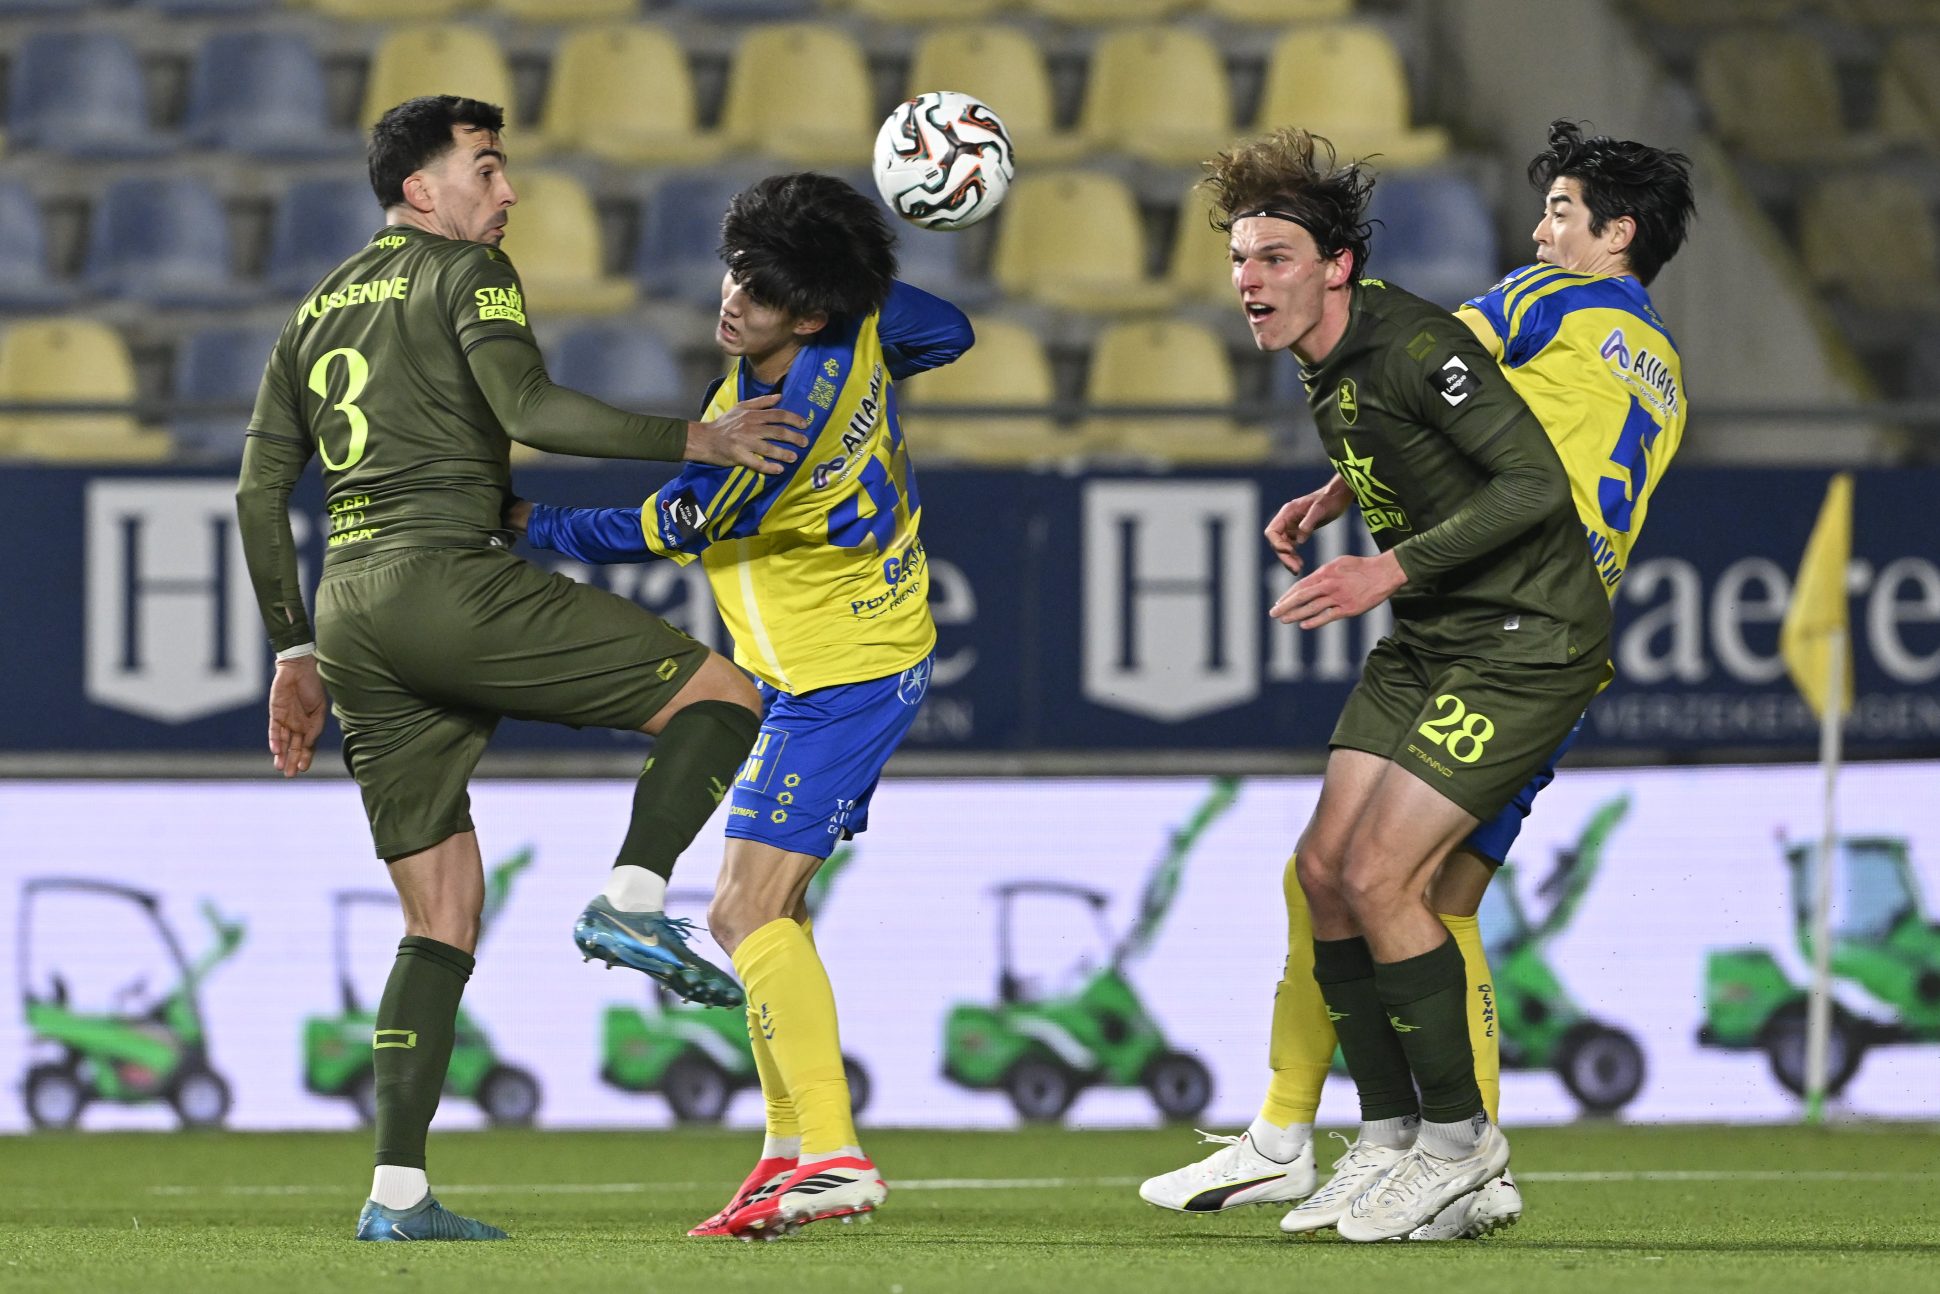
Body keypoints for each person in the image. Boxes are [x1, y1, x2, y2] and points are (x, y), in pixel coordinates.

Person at [235, 95, 812, 1243]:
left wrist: (294, 648)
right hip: (444, 577)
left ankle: (398, 1193)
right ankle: (632, 899)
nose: (507, 193)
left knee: (441, 909)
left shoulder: (312, 311)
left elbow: (259, 491)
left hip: (349, 611)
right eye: (486, 169)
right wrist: (703, 438)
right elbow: (528, 407)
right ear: (421, 192)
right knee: (723, 696)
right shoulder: (466, 274)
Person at [1140, 122, 1693, 1241]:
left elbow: (1426, 376)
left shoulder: (1545, 301)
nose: (1538, 233)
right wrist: (1347, 488)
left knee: (1384, 883)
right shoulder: (1667, 372)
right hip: (1533, 618)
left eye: (1560, 213)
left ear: (1615, 235)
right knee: (1395, 887)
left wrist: (1379, 553)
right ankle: (1410, 1146)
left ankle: (1381, 1141)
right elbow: (1438, 424)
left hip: (1511, 624)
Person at [511, 172, 974, 1240]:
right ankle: (785, 1149)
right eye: (735, 272)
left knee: (739, 912)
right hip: (848, 653)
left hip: (835, 677)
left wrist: (522, 521)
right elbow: (946, 331)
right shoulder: (858, 327)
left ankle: (836, 1157)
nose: (733, 299)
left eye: (761, 292)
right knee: (776, 914)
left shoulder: (769, 441)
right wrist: (870, 336)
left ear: (806, 314)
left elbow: (646, 531)